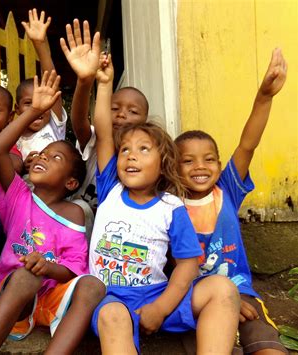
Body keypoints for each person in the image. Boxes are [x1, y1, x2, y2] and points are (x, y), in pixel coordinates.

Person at [89, 53, 240, 354]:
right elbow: (104, 131)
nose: (130, 155)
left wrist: (161, 307)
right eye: (126, 150)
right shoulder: (110, 189)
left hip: (157, 294)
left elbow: (187, 265)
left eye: (144, 149)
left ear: (163, 164)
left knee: (223, 289)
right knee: (112, 315)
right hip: (110, 297)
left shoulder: (171, 206)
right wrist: (104, 84)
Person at [0, 71, 106, 355]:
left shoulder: (74, 214)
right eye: (43, 153)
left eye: (55, 157)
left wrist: (48, 268)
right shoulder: (19, 194)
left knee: (93, 286)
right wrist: (33, 110)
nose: (43, 156)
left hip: (49, 298)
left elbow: (73, 266)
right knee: (25, 276)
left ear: (71, 183)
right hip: (14, 297)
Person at [175, 48, 288, 355]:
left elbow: (248, 144)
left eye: (209, 159)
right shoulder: (168, 205)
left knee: (268, 346)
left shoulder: (226, 188)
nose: (201, 166)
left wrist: (264, 96)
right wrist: (223, 305)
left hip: (243, 292)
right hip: (194, 300)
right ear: (173, 168)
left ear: (220, 163)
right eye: (188, 161)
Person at [60, 19, 149, 215]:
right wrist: (85, 81)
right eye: (114, 108)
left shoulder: (147, 156)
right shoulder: (94, 139)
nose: (122, 114)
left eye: (133, 112)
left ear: (145, 121)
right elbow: (79, 120)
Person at [15, 9, 67, 163]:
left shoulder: (53, 125)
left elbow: (51, 80)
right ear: (17, 109)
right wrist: (24, 165)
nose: (37, 107)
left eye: (42, 101)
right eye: (28, 103)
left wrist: (39, 45)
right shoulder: (14, 138)